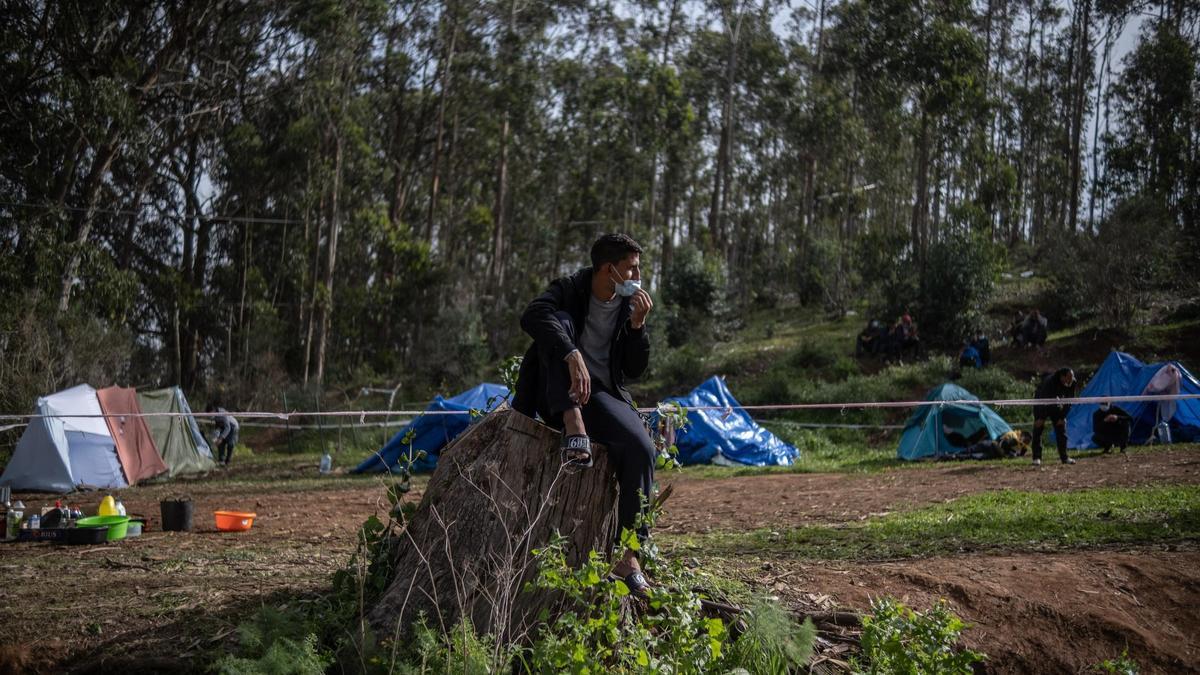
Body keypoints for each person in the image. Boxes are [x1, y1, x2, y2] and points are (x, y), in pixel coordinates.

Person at [511, 233, 655, 593]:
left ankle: (629, 555)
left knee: (641, 448)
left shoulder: (627, 306)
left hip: (604, 394)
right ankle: (572, 421)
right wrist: (572, 353)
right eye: (632, 268)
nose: (638, 276)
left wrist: (638, 327)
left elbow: (635, 370)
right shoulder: (571, 289)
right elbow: (531, 316)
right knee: (556, 323)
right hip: (557, 391)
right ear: (610, 270)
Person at [1032, 368, 1077, 465]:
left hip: (1055, 403)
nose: (1071, 380)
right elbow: (1042, 400)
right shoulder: (1049, 382)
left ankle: (1064, 457)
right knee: (1038, 428)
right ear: (1062, 376)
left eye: (1072, 377)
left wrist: (1062, 416)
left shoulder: (1072, 382)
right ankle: (1036, 457)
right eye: (1068, 377)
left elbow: (1069, 401)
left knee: (1061, 428)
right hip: (1041, 403)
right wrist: (1040, 417)